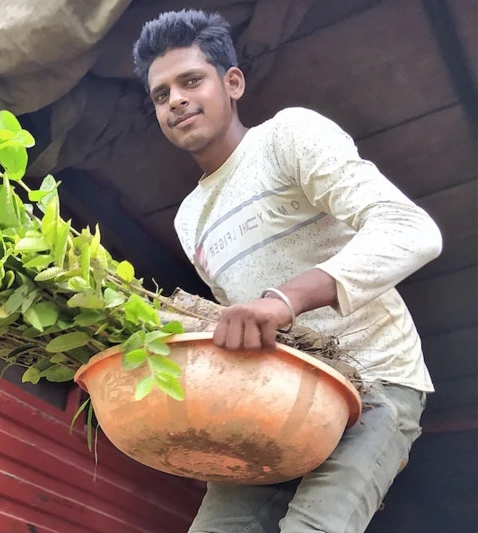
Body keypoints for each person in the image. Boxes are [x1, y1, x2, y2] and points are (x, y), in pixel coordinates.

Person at [133, 10, 442, 533]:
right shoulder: (190, 219)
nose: (176, 100)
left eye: (190, 81)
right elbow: (243, 321)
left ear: (232, 83)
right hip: (279, 395)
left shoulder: (287, 137)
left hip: (377, 382)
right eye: (161, 95)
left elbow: (412, 230)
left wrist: (284, 297)